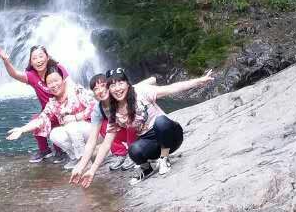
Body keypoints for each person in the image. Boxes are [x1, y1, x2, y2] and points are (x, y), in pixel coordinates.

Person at [73, 66, 215, 187]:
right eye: (113, 85)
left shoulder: (140, 91)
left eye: (120, 83)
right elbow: (106, 143)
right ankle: (147, 168)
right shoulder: (113, 112)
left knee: (161, 122)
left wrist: (199, 81)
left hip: (171, 135)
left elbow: (172, 88)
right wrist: (92, 169)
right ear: (109, 89)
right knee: (134, 150)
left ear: (127, 84)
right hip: (150, 141)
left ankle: (164, 159)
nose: (117, 88)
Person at [5, 68, 97, 168]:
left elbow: (94, 106)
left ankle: (84, 161)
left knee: (71, 126)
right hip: (75, 133)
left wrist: (75, 117)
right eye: (49, 83)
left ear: (63, 80)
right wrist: (22, 130)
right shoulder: (53, 102)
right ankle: (75, 157)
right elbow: (41, 120)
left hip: (93, 131)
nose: (53, 85)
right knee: (54, 134)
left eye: (56, 81)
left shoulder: (76, 90)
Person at [0, 43, 69, 162]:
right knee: (36, 119)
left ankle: (60, 151)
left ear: (47, 57)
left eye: (41, 56)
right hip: (47, 112)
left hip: (64, 109)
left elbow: (70, 86)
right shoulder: (32, 76)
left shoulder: (58, 69)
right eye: (34, 58)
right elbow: (15, 74)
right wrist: (6, 61)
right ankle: (44, 150)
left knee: (55, 125)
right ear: (31, 62)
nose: (38, 60)